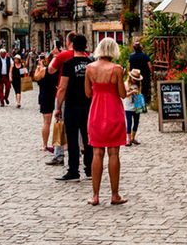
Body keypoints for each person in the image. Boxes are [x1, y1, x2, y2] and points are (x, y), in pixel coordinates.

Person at [85, 37, 128, 205]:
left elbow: (88, 93)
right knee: (114, 153)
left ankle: (95, 196)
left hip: (96, 112)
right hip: (113, 112)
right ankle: (114, 195)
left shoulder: (89, 68)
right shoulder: (116, 69)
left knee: (97, 153)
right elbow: (122, 94)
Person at [54, 34, 93, 183]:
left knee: (72, 139)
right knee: (87, 138)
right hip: (87, 105)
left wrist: (58, 107)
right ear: (85, 46)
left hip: (71, 105)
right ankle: (89, 168)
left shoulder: (69, 64)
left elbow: (62, 87)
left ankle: (73, 170)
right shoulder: (90, 63)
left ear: (72, 46)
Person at [34, 53, 59, 157]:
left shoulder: (43, 70)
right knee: (59, 121)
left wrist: (39, 68)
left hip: (45, 96)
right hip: (55, 95)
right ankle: (61, 144)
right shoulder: (57, 70)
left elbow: (36, 78)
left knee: (46, 122)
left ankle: (44, 144)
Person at [124, 68, 145, 146]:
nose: (135, 80)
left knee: (136, 122)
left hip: (137, 106)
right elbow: (125, 95)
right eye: (134, 78)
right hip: (128, 106)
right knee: (129, 123)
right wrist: (132, 92)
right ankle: (128, 139)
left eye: (137, 79)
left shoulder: (138, 85)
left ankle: (133, 138)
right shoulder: (126, 84)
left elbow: (139, 95)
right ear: (130, 77)